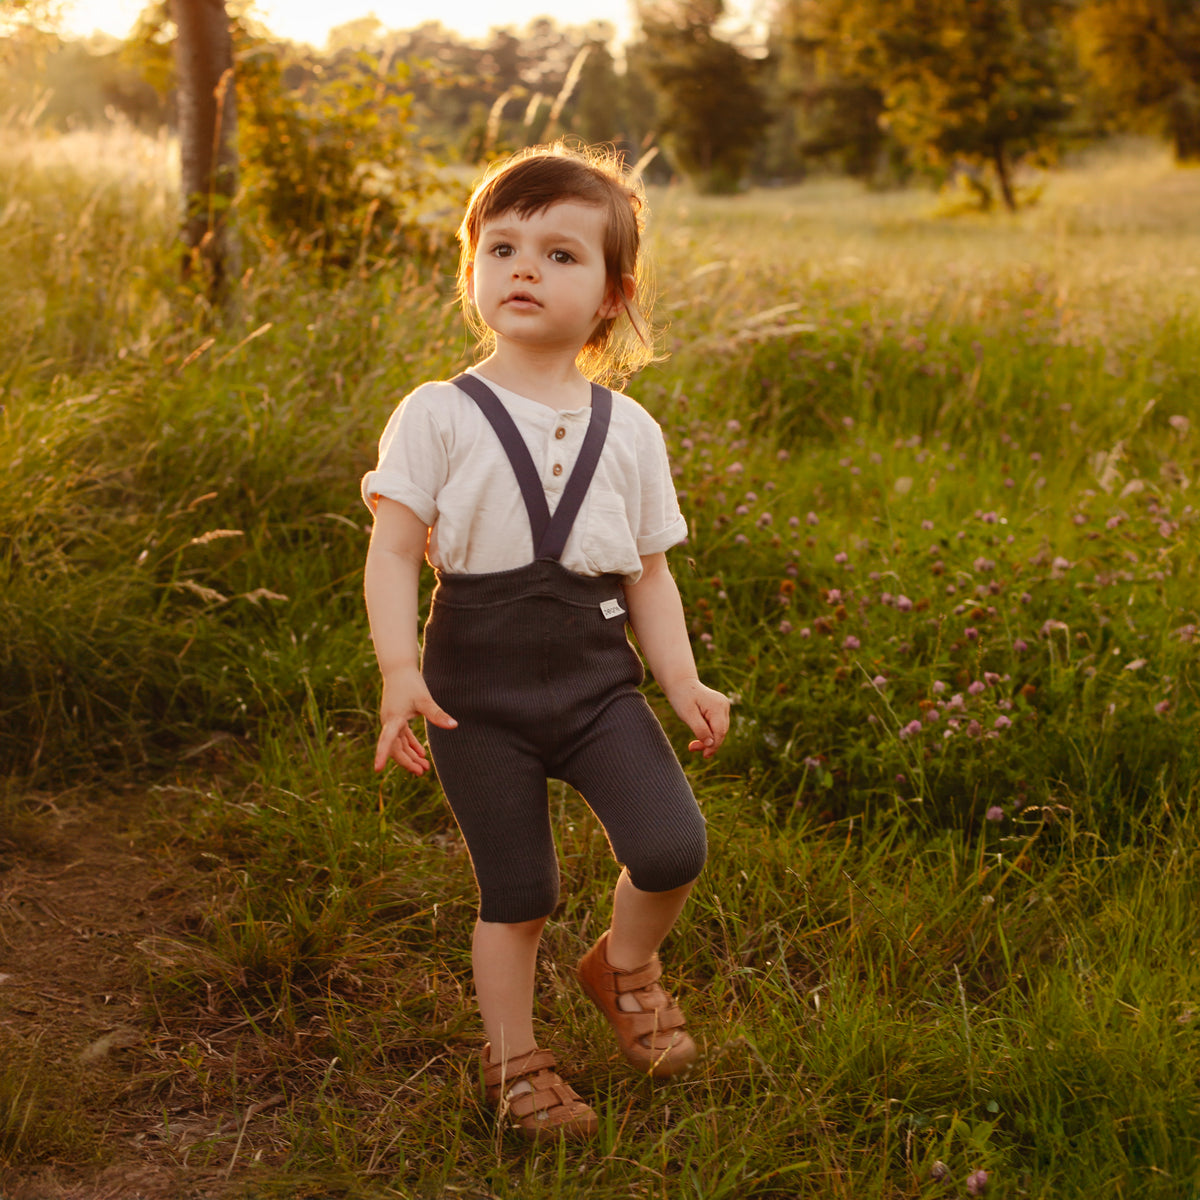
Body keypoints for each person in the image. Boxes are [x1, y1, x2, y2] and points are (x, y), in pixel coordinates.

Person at [361, 142, 730, 1142]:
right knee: (519, 892)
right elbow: (394, 552)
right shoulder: (438, 415)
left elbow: (649, 572)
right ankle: (517, 1060)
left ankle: (625, 965)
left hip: (597, 684)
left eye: (561, 255)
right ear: (474, 269)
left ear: (613, 295)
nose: (524, 268)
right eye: (504, 246)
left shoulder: (631, 432)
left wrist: (683, 678)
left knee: (670, 846)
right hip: (472, 695)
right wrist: (401, 670)